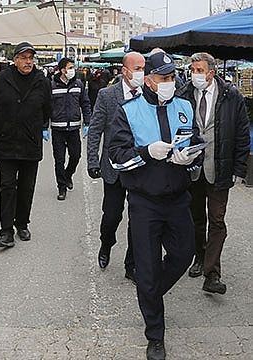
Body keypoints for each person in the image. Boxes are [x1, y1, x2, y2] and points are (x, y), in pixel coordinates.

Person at [108, 51, 204, 360]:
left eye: (173, 77)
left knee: (184, 254)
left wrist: (190, 156)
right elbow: (116, 157)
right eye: (164, 78)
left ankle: (149, 296)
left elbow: (196, 143)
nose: (170, 83)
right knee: (147, 270)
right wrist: (147, 151)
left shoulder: (184, 107)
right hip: (144, 203)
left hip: (178, 199)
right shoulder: (129, 111)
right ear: (148, 80)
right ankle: (155, 334)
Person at [176, 52, 250, 295]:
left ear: (211, 73)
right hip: (193, 169)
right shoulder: (184, 93)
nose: (194, 74)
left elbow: (241, 134)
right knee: (196, 218)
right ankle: (199, 256)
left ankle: (212, 274)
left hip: (220, 169)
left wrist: (239, 169)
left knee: (217, 220)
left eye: (199, 70)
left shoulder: (231, 96)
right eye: (192, 70)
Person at [87, 52, 145, 284]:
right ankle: (106, 243)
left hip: (140, 168)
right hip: (113, 168)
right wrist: (92, 160)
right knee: (112, 215)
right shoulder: (107, 95)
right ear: (125, 71)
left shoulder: (148, 95)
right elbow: (95, 130)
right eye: (138, 68)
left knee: (138, 219)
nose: (142, 72)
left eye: (144, 68)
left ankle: (132, 264)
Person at [0, 42, 51, 248]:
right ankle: (6, 231)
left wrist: (32, 124)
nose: (28, 62)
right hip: (6, 142)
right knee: (7, 186)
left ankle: (22, 223)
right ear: (15, 60)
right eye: (23, 58)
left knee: (26, 187)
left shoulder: (41, 80)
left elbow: (47, 109)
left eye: (31, 58)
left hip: (30, 143)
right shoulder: (1, 79)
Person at [48, 57, 92, 201]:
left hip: (73, 128)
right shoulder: (52, 86)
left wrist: (87, 123)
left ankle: (68, 175)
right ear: (62, 70)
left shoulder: (78, 84)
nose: (73, 70)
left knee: (76, 156)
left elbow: (85, 104)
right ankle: (61, 187)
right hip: (58, 129)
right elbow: (46, 107)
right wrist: (43, 127)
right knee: (59, 160)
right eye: (70, 67)